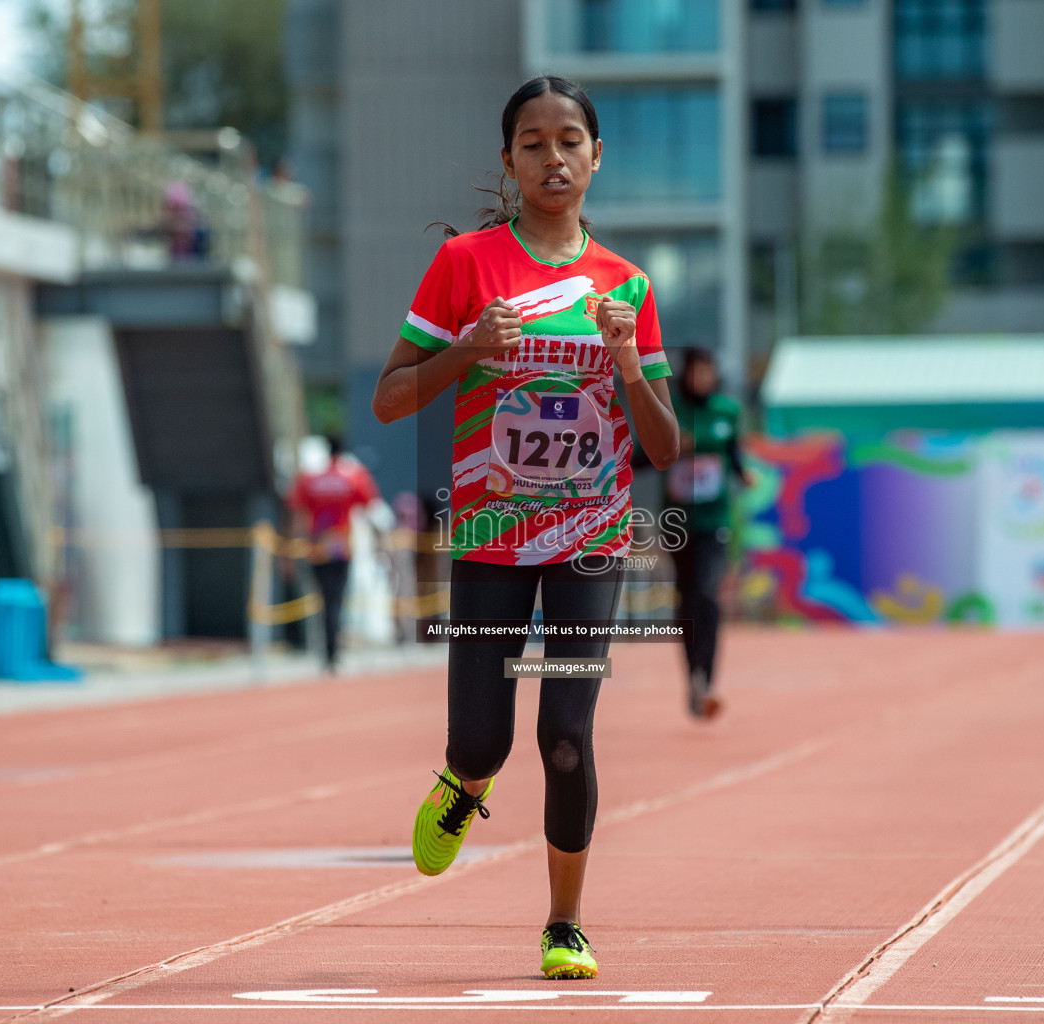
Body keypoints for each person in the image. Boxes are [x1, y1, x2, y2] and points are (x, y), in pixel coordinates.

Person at [371, 75, 679, 980]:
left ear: (596, 156)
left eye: (571, 140)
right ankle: (465, 780)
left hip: (590, 538)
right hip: (494, 532)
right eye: (535, 143)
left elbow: (661, 445)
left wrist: (626, 361)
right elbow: (391, 397)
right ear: (509, 160)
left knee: (567, 737)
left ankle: (565, 923)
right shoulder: (466, 265)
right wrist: (466, 350)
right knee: (484, 741)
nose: (555, 157)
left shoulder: (627, 283)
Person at [664, 348, 747, 720]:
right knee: (687, 602)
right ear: (686, 374)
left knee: (708, 597)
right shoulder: (671, 408)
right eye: (697, 372)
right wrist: (677, 447)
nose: (703, 378)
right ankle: (693, 676)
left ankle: (707, 680)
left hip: (715, 521)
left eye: (708, 372)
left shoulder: (727, 411)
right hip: (678, 523)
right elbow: (644, 455)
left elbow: (733, 452)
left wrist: (743, 473)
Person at [287, 437, 380, 671]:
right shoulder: (353, 476)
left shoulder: (309, 479)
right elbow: (371, 507)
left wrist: (290, 551)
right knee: (336, 600)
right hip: (341, 547)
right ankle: (332, 652)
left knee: (322, 600)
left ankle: (327, 652)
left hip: (317, 546)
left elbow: (298, 514)